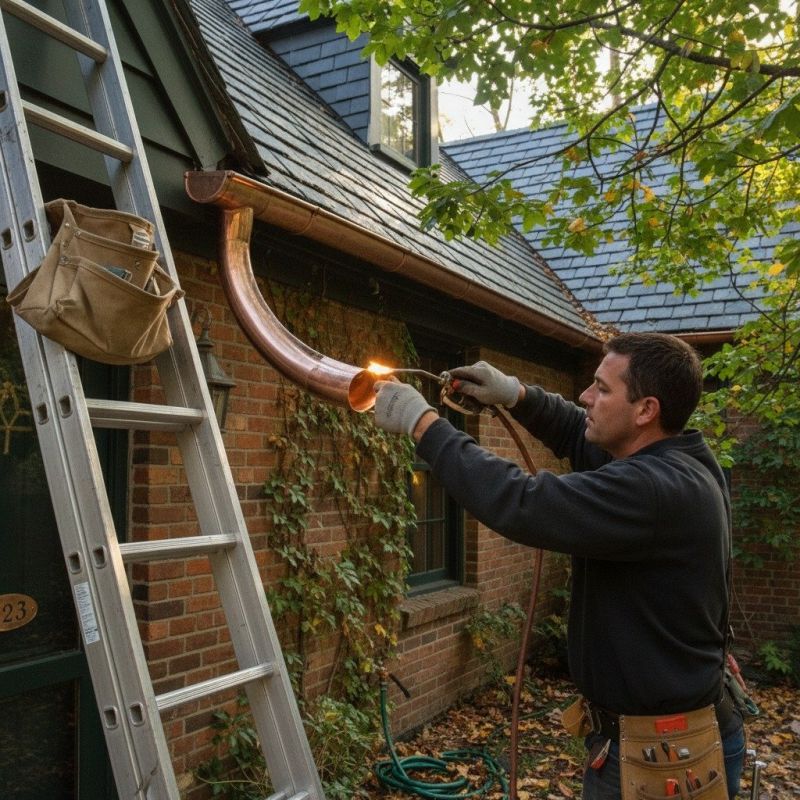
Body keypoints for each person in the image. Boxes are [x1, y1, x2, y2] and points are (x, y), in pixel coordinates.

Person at [373, 332, 745, 799]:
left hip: (661, 755)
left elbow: (522, 502)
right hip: (655, 734)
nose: (586, 397)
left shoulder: (652, 489)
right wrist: (517, 395)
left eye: (602, 389)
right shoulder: (678, 455)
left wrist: (423, 425)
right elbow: (577, 430)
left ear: (646, 410)